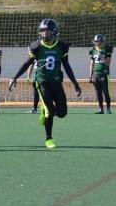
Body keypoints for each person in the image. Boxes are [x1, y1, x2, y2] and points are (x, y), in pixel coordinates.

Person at [8, 18, 81, 149]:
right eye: (42, 31)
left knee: (62, 113)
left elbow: (66, 66)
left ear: (54, 31)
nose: (44, 33)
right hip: (42, 81)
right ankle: (49, 138)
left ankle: (44, 109)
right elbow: (27, 63)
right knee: (50, 111)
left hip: (56, 81)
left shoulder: (61, 46)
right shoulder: (36, 46)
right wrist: (15, 77)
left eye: (47, 30)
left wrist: (75, 83)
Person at [88, 34, 113, 114]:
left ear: (102, 41)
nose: (98, 43)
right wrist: (90, 76)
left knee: (105, 92)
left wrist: (101, 56)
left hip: (104, 74)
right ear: (94, 42)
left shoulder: (107, 49)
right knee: (98, 92)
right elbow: (91, 64)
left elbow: (108, 63)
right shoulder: (93, 50)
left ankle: (108, 109)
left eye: (99, 41)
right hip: (96, 74)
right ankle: (101, 109)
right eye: (96, 41)